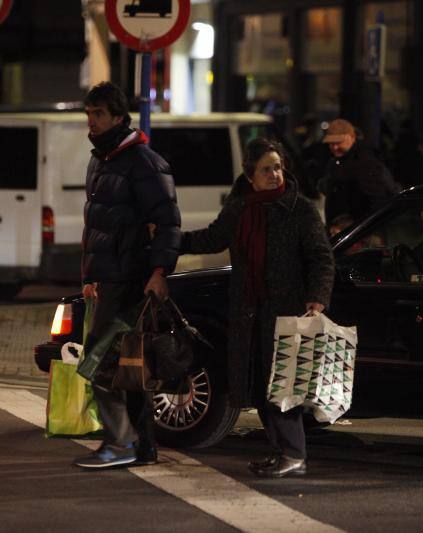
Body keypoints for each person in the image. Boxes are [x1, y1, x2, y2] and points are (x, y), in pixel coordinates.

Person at [179, 138, 334, 478]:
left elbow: (321, 257)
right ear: (251, 176)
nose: (275, 174)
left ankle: (294, 454)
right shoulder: (240, 209)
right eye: (266, 169)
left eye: (278, 167)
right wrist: (170, 240)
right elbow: (210, 238)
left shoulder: (300, 209)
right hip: (249, 312)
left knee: (283, 385)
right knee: (259, 385)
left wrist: (318, 296)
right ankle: (281, 452)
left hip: (287, 310)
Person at [73, 82, 181, 469]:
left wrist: (159, 272)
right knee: (127, 366)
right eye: (88, 113)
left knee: (100, 363)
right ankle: (142, 445)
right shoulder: (101, 160)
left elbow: (168, 221)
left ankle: (121, 443)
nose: (91, 121)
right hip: (110, 280)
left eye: (99, 114)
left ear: (119, 116)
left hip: (131, 280)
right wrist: (90, 274)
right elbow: (98, 226)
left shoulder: (143, 162)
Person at [318, 118, 401, 224]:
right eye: (331, 143)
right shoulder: (338, 160)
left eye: (339, 142)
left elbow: (376, 199)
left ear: (352, 137)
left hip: (359, 232)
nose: (335, 147)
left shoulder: (365, 161)